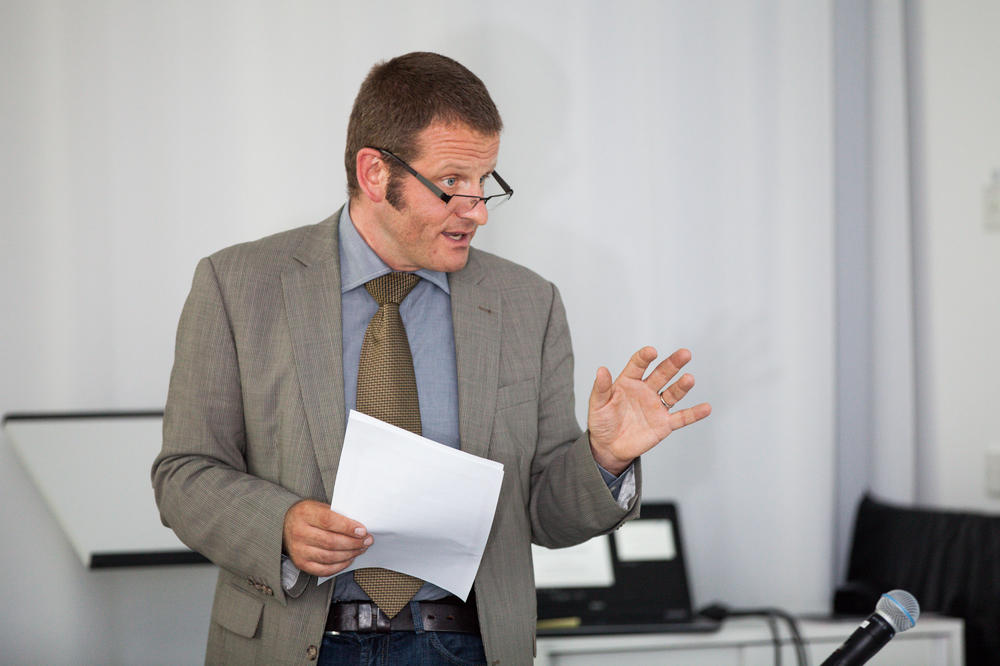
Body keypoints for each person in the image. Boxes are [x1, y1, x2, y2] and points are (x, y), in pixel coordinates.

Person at [152, 51, 710, 665]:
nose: (477, 209)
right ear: (375, 174)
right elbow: (184, 473)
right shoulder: (237, 284)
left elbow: (547, 518)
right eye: (451, 183)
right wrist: (279, 524)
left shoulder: (529, 303)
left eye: (485, 182)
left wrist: (605, 457)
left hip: (466, 646)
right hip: (294, 643)